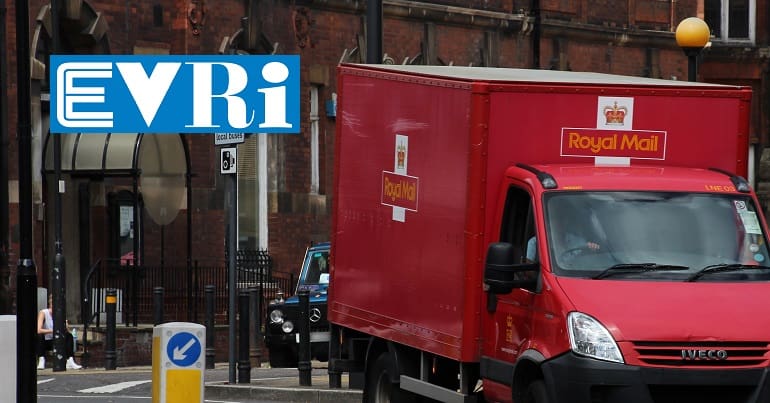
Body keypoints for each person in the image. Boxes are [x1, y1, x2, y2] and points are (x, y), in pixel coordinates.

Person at [37, 294, 82, 370]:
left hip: (57, 340)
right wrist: (53, 331)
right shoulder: (43, 313)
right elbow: (39, 329)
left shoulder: (60, 313)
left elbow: (66, 331)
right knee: (40, 336)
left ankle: (70, 360)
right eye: (52, 303)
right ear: (50, 303)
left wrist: (66, 326)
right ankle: (41, 359)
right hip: (47, 341)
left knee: (69, 336)